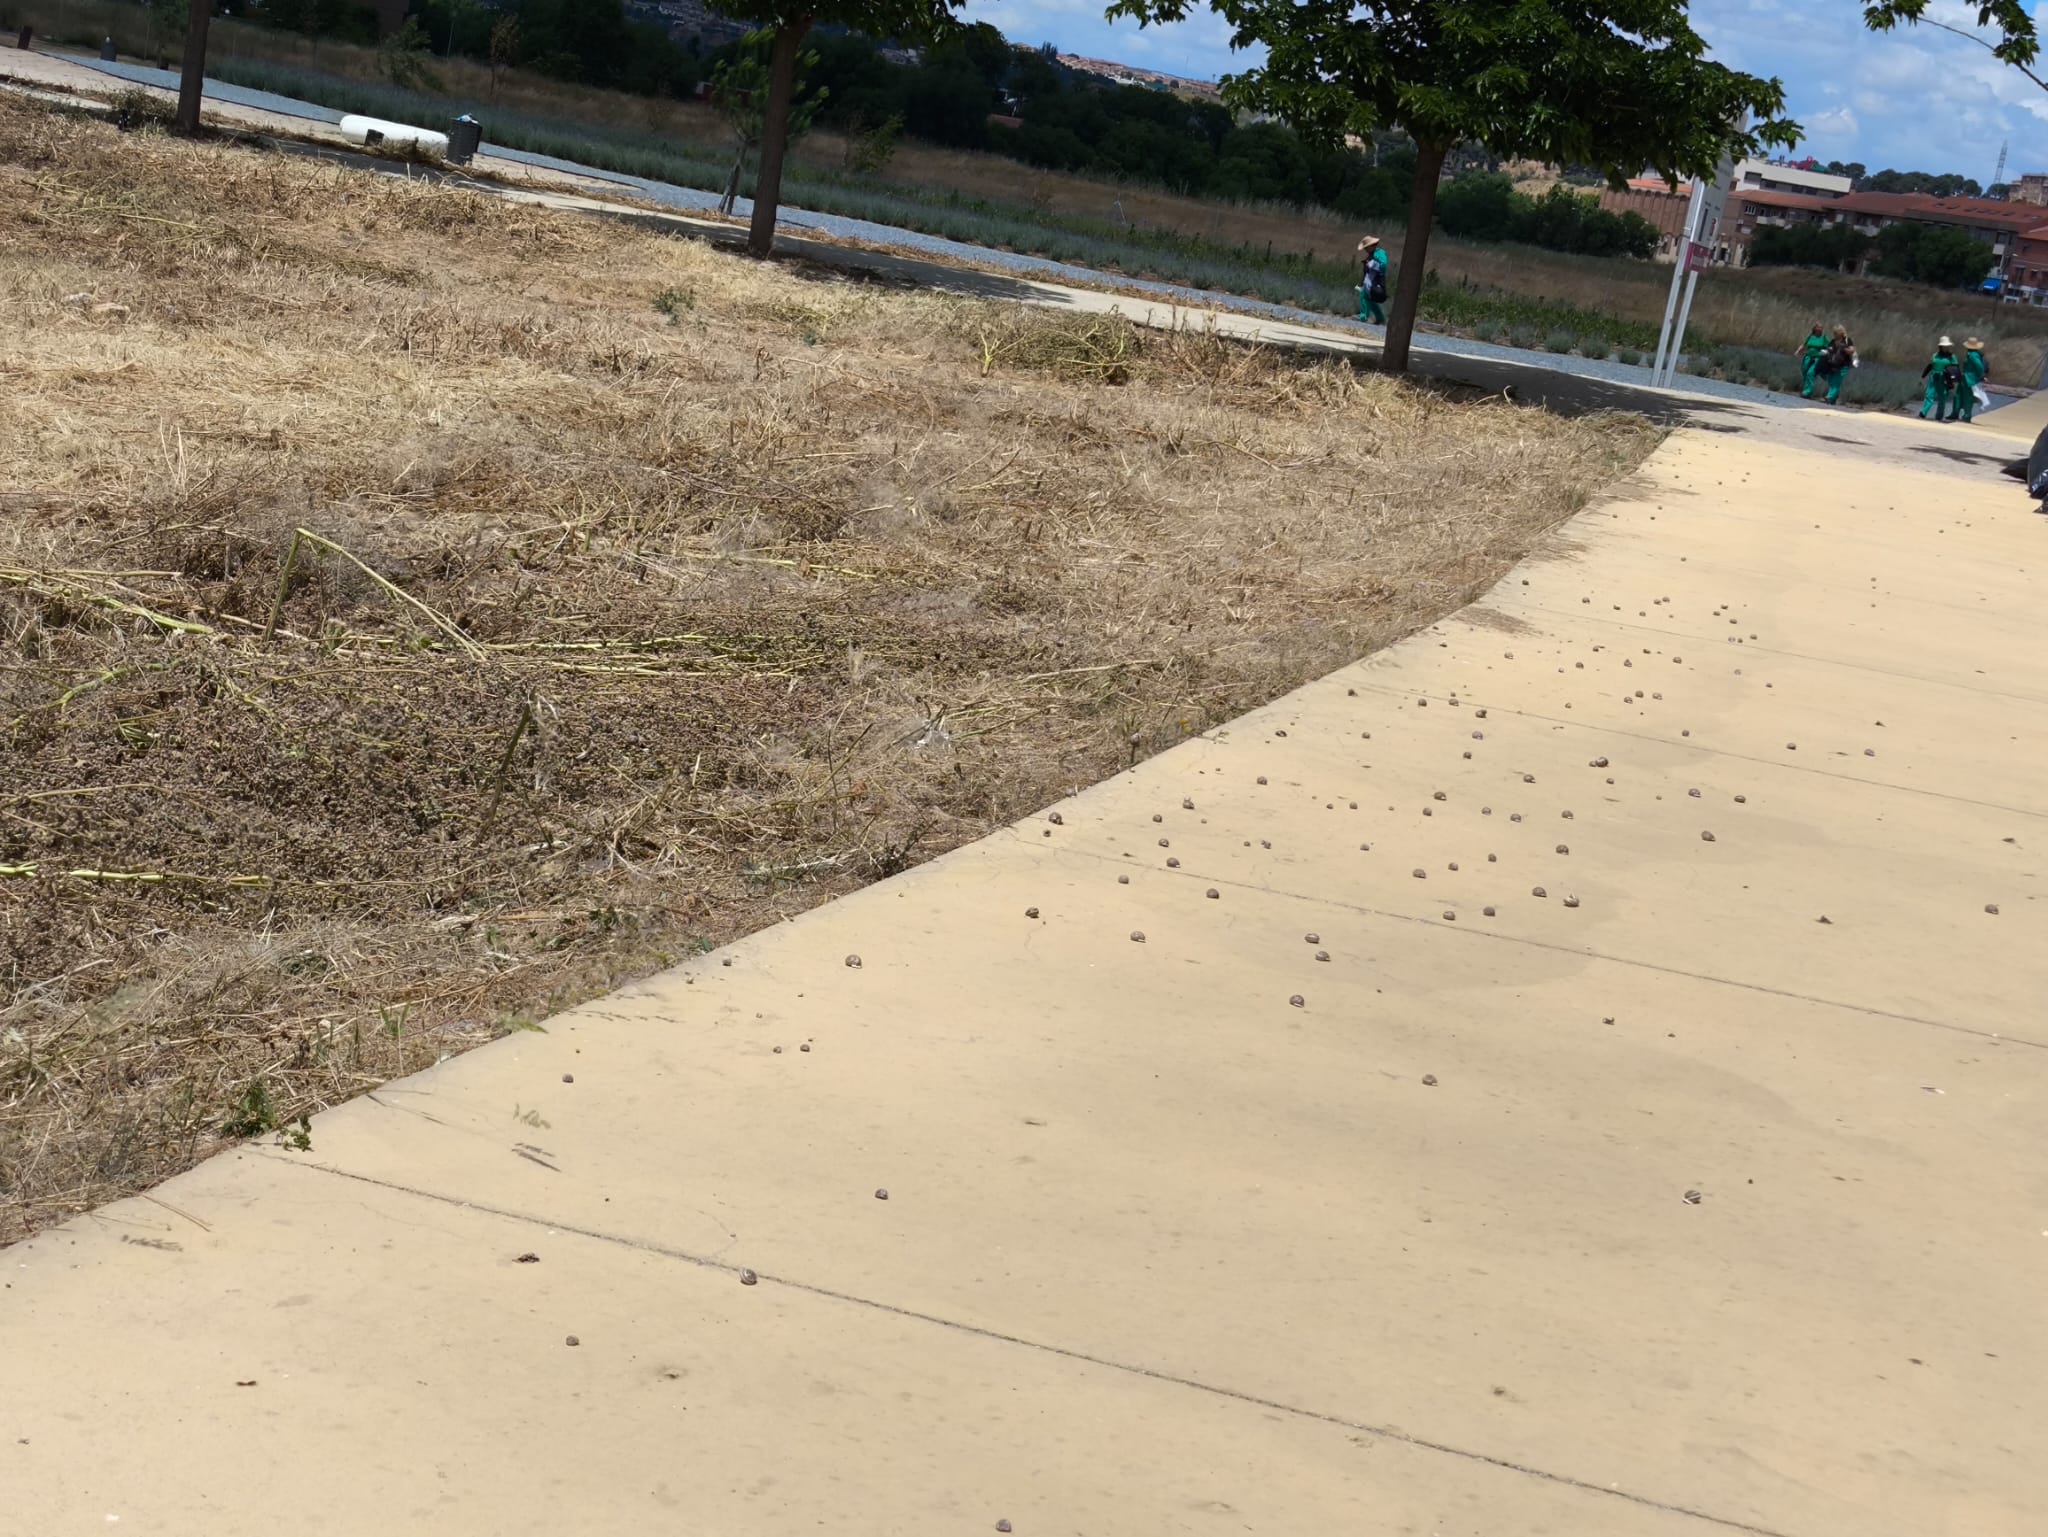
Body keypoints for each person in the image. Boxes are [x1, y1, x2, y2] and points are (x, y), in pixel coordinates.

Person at [1920, 336, 1960, 421]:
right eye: (1944, 346)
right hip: (1934, 376)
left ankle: (1939, 416)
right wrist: (1924, 375)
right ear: (1940, 346)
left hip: (1944, 378)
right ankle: (1923, 413)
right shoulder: (1935, 355)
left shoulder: (1952, 357)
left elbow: (1956, 369)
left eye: (1947, 346)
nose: (1946, 347)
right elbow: (1931, 365)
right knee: (1929, 395)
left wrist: (1954, 381)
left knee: (1942, 397)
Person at [1815, 325, 1856, 405]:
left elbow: (1852, 350)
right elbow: (1829, 349)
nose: (1834, 334)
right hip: (1833, 363)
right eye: (1834, 333)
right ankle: (1833, 399)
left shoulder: (1847, 340)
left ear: (1841, 333)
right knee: (1831, 380)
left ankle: (1829, 397)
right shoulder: (1833, 341)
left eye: (1836, 333)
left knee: (1836, 381)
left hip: (1843, 364)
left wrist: (1843, 348)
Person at [1356, 235, 1390, 326]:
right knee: (1368, 298)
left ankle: (1364, 316)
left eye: (1366, 247)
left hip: (1374, 280)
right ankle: (1379, 318)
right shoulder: (1373, 254)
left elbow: (1383, 265)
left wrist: (1370, 264)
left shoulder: (1380, 253)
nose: (1365, 250)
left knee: (1365, 296)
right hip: (1370, 280)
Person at [1955, 336, 1989, 423]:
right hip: (1966, 377)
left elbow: (1979, 366)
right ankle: (1956, 413)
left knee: (1967, 398)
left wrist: (1980, 375)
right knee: (1959, 395)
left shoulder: (1973, 355)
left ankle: (1967, 415)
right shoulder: (1972, 354)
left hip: (1969, 379)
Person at [1798, 322, 1828, 398]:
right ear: (1815, 328)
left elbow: (1830, 346)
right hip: (1808, 356)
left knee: (1810, 373)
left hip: (1817, 358)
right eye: (1819, 327)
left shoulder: (1823, 337)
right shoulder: (1811, 336)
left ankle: (1808, 391)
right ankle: (1806, 390)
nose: (1820, 329)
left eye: (1821, 328)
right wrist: (1798, 350)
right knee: (1805, 372)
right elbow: (1804, 344)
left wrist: (1826, 352)